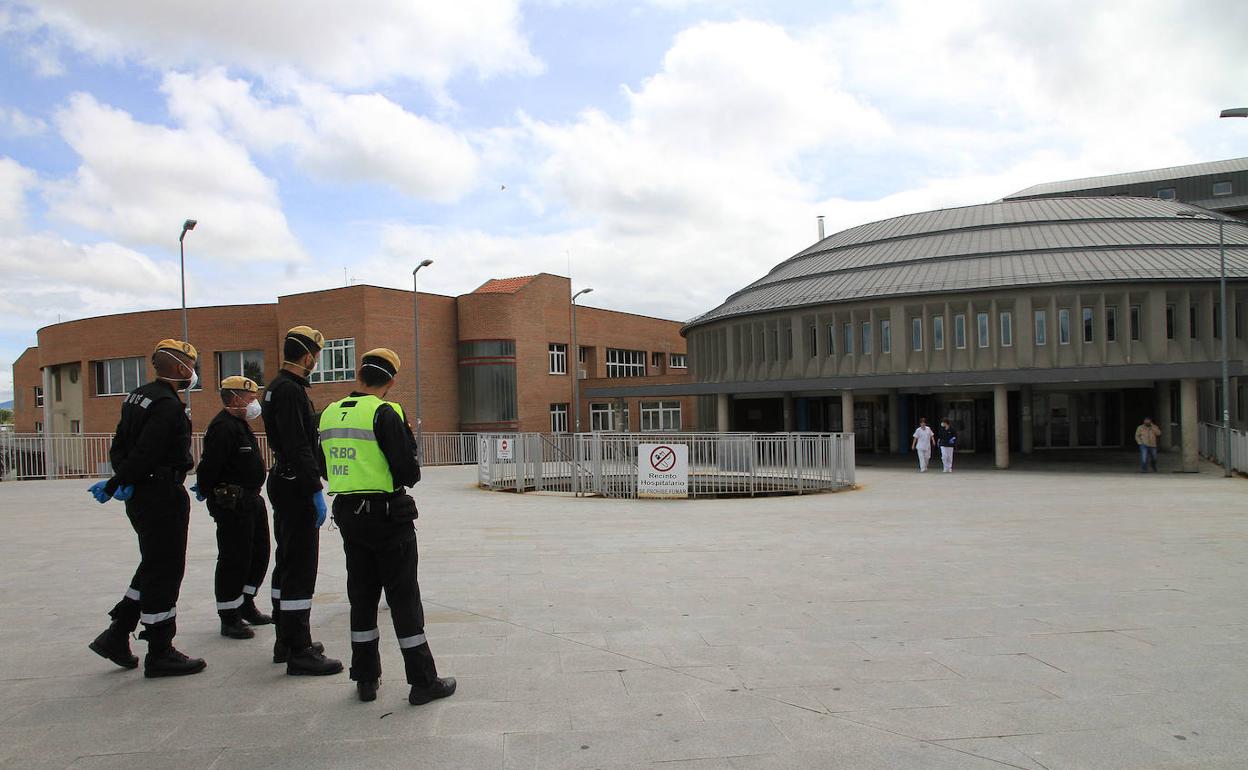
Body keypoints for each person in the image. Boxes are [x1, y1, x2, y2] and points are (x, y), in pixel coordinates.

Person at [319, 348, 456, 706]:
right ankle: (423, 681)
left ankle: (365, 677)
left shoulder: (329, 413)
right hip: (386, 515)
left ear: (359, 375)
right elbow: (408, 471)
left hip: (349, 514)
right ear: (391, 380)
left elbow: (324, 464)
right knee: (403, 597)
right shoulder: (384, 412)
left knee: (361, 597)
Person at [87, 339, 205, 678]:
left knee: (153, 564)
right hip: (162, 493)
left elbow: (121, 442)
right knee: (165, 571)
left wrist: (123, 478)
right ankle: (160, 649)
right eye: (192, 365)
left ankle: (118, 632)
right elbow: (148, 452)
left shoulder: (138, 395)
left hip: (144, 492)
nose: (194, 372)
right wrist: (116, 483)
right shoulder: (168, 405)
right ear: (181, 368)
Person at [262, 325, 342, 675]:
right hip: (295, 486)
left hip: (282, 479)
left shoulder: (274, 388)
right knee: (300, 567)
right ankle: (299, 648)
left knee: (286, 561)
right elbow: (299, 445)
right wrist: (314, 488)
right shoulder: (292, 391)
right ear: (309, 357)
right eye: (317, 357)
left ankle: (285, 638)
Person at [194, 375, 272, 640]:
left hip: (252, 499)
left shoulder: (240, 424)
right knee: (234, 557)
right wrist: (206, 491)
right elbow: (210, 465)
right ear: (235, 399)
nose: (254, 404)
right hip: (233, 502)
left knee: (259, 553)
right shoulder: (223, 427)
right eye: (250, 399)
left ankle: (246, 602)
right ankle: (229, 615)